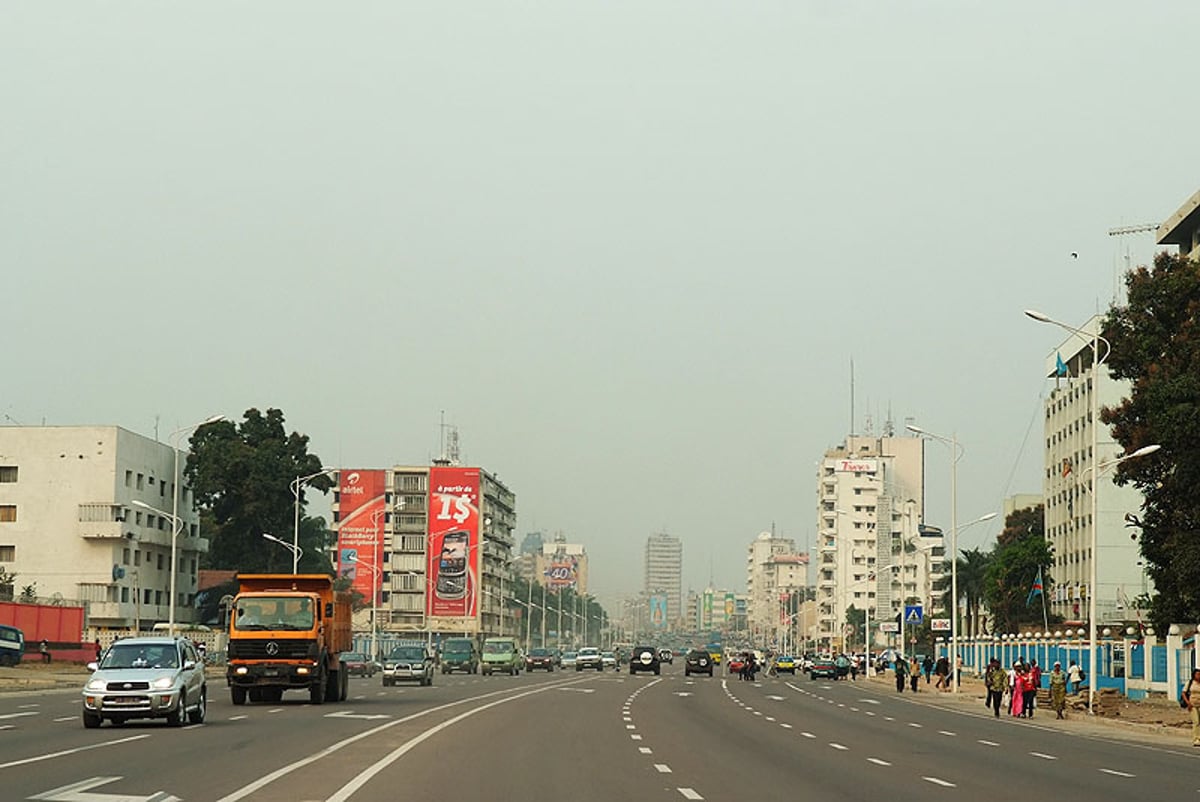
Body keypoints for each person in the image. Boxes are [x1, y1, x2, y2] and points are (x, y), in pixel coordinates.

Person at [1183, 668, 1200, 747]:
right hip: (1192, 705)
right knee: (1196, 722)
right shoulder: (1190, 683)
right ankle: (1196, 739)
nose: (1199, 676)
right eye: (1197, 674)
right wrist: (1188, 703)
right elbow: (1184, 693)